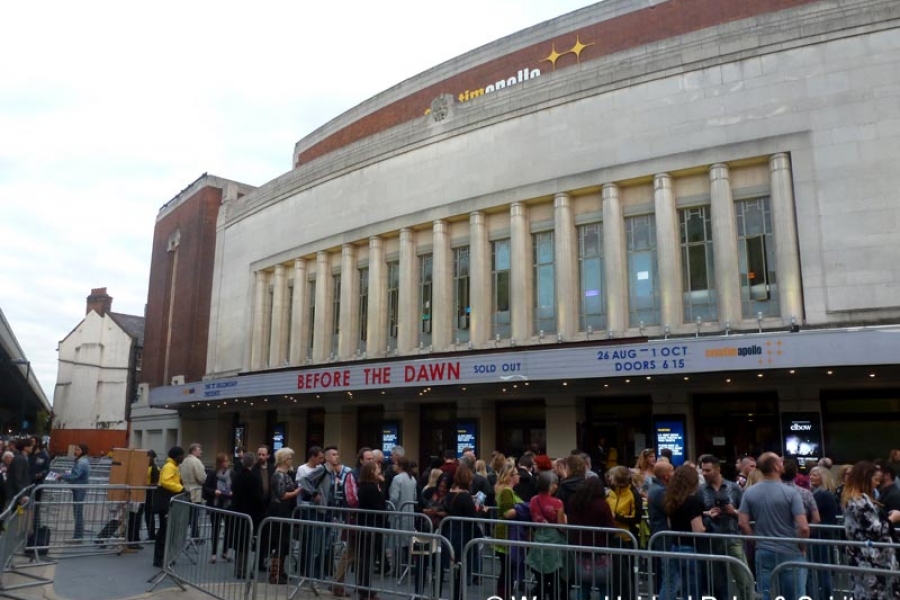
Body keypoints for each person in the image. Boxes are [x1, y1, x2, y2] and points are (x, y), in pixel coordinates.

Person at [738, 452, 809, 600]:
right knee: (794, 594)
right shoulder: (791, 493)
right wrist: (801, 546)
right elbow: (803, 527)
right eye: (781, 462)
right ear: (776, 467)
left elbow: (742, 522)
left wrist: (755, 541)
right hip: (789, 549)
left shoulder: (749, 492)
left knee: (764, 593)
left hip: (763, 550)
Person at [841, 461, 900, 600]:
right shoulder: (860, 501)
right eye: (875, 480)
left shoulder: (856, 500)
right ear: (865, 479)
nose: (877, 484)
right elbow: (875, 530)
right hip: (871, 560)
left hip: (868, 558)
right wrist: (893, 519)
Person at [699, 454, 752, 600]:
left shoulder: (733, 487)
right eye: (702, 470)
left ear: (717, 469)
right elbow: (696, 513)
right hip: (711, 539)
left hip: (732, 536)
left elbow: (745, 512)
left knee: (744, 578)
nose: (704, 473)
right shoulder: (700, 490)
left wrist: (732, 511)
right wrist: (707, 513)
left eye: (707, 470)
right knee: (718, 583)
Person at [660, 464, 706, 600]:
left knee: (669, 584)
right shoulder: (694, 501)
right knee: (692, 589)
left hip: (674, 546)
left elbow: (669, 524)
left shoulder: (670, 499)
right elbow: (698, 530)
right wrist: (708, 525)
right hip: (690, 549)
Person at [568, 476, 614, 600]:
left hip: (580, 549)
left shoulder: (574, 502)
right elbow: (611, 527)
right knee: (605, 586)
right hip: (600, 550)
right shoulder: (602, 505)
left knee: (583, 585)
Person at [267, 447, 301, 584]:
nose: (291, 460)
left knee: (285, 542)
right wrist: (298, 490)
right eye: (290, 458)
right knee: (281, 541)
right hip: (279, 509)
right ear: (285, 460)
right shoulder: (279, 475)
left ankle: (280, 571)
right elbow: (282, 494)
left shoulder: (286, 474)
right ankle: (274, 573)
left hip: (285, 510)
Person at [493, 465, 524, 599]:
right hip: (506, 532)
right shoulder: (506, 491)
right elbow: (507, 513)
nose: (519, 476)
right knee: (507, 569)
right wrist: (523, 508)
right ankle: (504, 595)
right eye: (517, 474)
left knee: (507, 569)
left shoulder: (509, 491)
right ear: (510, 477)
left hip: (508, 532)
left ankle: (505, 595)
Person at [808, 465, 839, 600]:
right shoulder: (815, 493)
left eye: (815, 474)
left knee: (822, 570)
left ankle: (825, 596)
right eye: (811, 474)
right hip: (818, 535)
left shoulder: (824, 495)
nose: (812, 477)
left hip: (821, 536)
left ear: (823, 477)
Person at [358, 460, 387, 600]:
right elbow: (379, 505)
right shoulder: (370, 488)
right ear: (371, 472)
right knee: (367, 559)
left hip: (370, 526)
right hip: (370, 526)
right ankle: (365, 589)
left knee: (367, 559)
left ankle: (365, 588)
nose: (379, 471)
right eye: (377, 469)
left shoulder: (368, 486)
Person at [153, 446, 185, 568]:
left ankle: (165, 556)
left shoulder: (174, 467)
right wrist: (180, 488)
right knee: (164, 530)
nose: (183, 457)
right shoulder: (169, 467)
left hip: (169, 501)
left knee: (167, 530)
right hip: (166, 502)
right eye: (182, 455)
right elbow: (166, 482)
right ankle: (159, 558)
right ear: (177, 456)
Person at [230, 452, 259, 579]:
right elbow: (256, 497)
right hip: (249, 513)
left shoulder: (236, 476)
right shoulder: (253, 478)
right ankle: (244, 569)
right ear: (252, 463)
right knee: (247, 542)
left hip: (237, 511)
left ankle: (238, 569)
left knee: (239, 542)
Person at [203, 452, 234, 563]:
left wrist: (232, 493)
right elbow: (206, 488)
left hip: (228, 504)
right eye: (225, 461)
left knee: (229, 529)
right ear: (220, 462)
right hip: (216, 503)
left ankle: (225, 551)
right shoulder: (212, 474)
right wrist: (214, 492)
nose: (227, 463)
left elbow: (234, 487)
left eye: (228, 461)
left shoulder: (231, 474)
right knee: (215, 528)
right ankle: (214, 553)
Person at [60, 443, 90, 540]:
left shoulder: (81, 462)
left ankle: (78, 536)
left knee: (78, 512)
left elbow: (75, 476)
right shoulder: (83, 461)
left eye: (77, 450)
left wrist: (63, 476)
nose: (75, 452)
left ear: (82, 451)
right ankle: (78, 535)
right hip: (79, 488)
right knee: (78, 512)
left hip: (79, 489)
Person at [179, 443, 206, 540]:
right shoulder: (196, 462)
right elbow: (201, 477)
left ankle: (186, 535)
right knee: (194, 515)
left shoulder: (184, 461)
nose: (201, 452)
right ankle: (195, 536)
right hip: (195, 491)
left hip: (185, 490)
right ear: (194, 450)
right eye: (199, 450)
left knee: (188, 515)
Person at [144, 450, 161, 541]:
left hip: (151, 495)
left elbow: (156, 483)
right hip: (146, 494)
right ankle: (150, 533)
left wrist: (147, 486)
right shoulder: (146, 467)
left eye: (148, 456)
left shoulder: (154, 469)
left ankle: (152, 534)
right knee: (147, 515)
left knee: (149, 515)